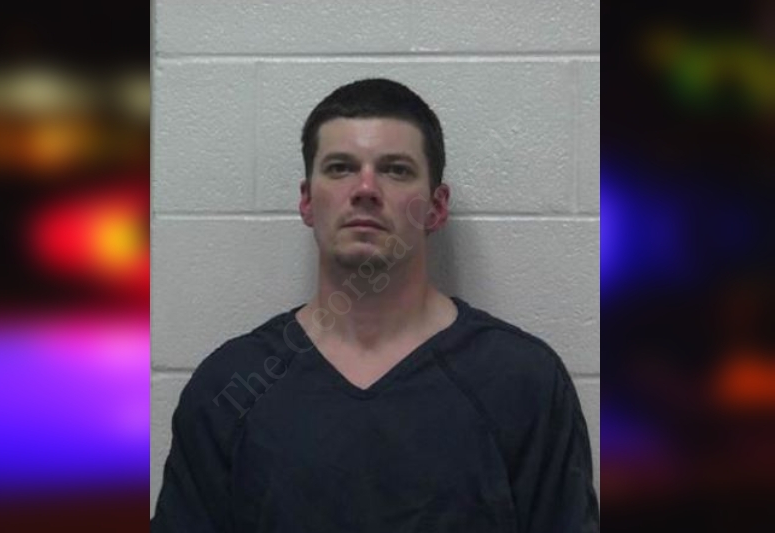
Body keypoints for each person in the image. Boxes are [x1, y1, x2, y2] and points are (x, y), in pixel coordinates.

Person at [151, 78, 600, 532]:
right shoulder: (230, 387)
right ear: (307, 201)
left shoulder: (522, 382)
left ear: (436, 207)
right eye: (340, 168)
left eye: (396, 170)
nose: (365, 188)